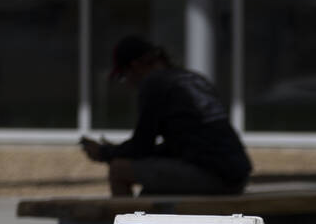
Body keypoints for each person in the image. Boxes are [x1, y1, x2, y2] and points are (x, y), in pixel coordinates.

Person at [81, 36, 252, 196]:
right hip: (236, 174)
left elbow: (142, 147)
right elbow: (183, 143)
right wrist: (118, 151)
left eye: (124, 77)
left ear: (135, 66)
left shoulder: (154, 83)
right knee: (150, 194)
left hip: (213, 175)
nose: (129, 84)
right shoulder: (192, 78)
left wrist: (105, 153)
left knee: (119, 170)